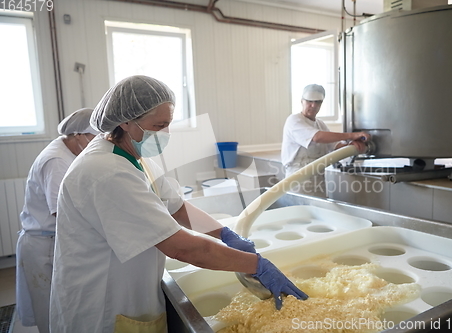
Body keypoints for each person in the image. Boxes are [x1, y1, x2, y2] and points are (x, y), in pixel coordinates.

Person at [49, 75, 307, 333]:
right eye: (159, 125)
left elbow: (175, 206)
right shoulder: (106, 171)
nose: (165, 134)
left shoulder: (132, 154)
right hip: (102, 304)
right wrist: (256, 266)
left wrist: (224, 234)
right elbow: (183, 249)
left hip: (129, 289)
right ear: (126, 121)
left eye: (169, 124)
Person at [16, 108, 98, 333]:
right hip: (44, 245)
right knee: (50, 313)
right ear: (79, 135)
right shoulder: (57, 160)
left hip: (53, 240)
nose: (98, 143)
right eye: (95, 137)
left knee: (62, 308)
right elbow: (60, 212)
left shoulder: (69, 150)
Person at [281, 84, 370, 196]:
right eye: (309, 101)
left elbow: (335, 146)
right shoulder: (294, 120)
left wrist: (354, 146)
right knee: (300, 211)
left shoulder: (320, 124)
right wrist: (352, 136)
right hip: (298, 181)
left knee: (319, 212)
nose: (313, 105)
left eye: (318, 102)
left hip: (318, 181)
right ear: (302, 101)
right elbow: (317, 137)